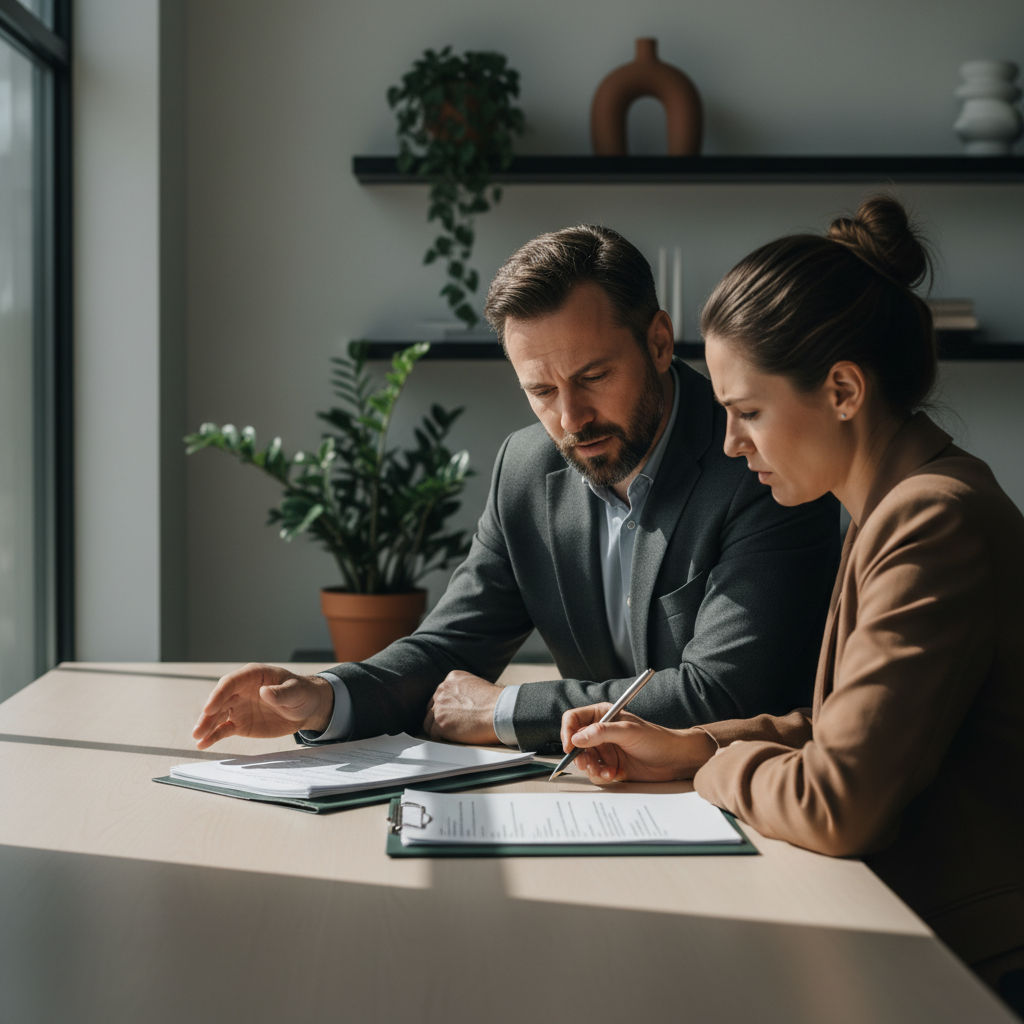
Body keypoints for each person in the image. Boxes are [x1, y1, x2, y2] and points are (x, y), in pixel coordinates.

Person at [559, 197, 1024, 1003]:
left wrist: (715, 770)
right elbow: (848, 726)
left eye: (748, 412)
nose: (731, 442)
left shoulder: (929, 520)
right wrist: (690, 746)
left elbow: (838, 801)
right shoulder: (895, 505)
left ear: (842, 389)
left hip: (977, 967)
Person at [193, 225, 839, 756]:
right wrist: (325, 698)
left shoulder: (761, 463)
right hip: (599, 797)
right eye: (542, 391)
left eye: (594, 376)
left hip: (751, 808)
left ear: (660, 343)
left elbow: (722, 695)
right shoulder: (526, 470)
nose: (571, 418)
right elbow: (450, 647)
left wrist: (503, 710)